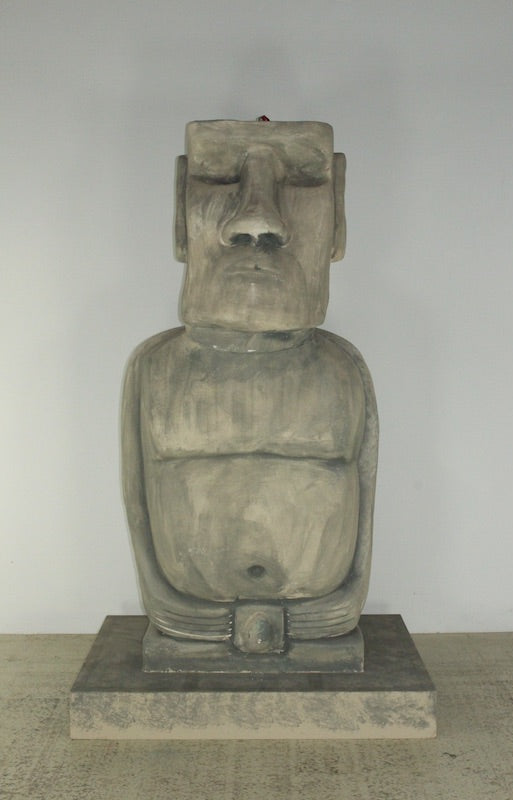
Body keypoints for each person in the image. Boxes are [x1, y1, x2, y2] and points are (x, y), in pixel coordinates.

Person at [122, 120, 378, 655]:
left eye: (302, 179)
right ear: (181, 217)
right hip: (185, 616)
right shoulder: (155, 368)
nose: (258, 219)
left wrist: (343, 603)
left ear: (338, 219)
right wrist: (170, 607)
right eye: (219, 178)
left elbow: (365, 497)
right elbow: (138, 503)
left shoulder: (343, 368)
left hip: (324, 618)